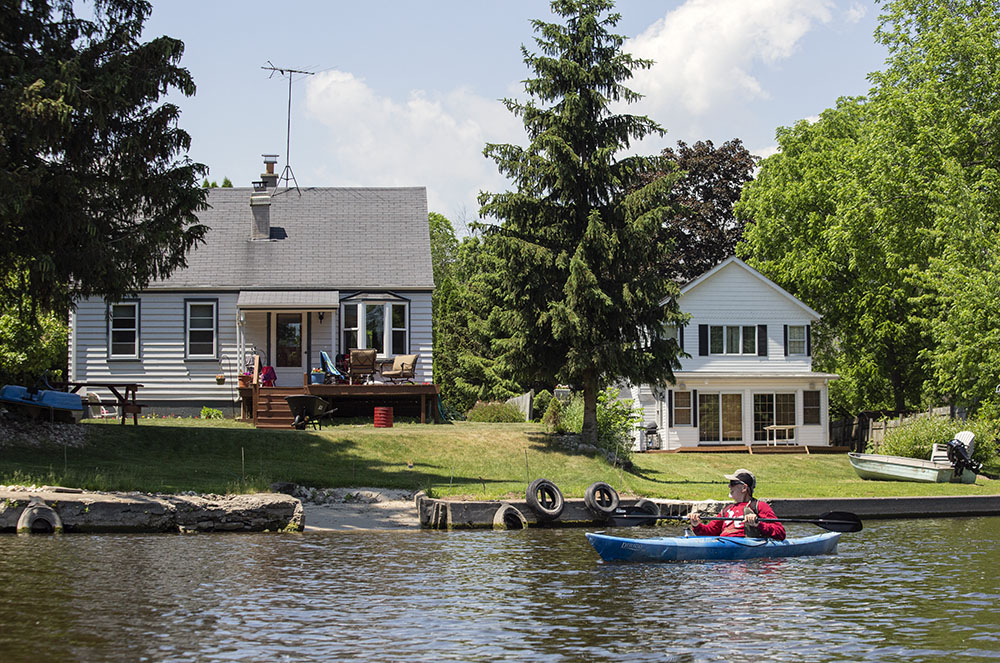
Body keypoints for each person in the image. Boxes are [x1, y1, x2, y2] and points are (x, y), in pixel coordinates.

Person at [688, 469, 785, 540]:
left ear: (744, 488)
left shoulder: (759, 506)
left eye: (733, 483)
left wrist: (758, 524)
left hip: (745, 551)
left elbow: (780, 533)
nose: (729, 486)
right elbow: (710, 532)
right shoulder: (727, 509)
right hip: (725, 549)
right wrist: (696, 525)